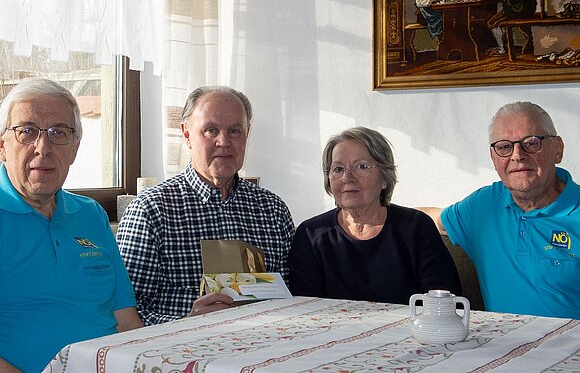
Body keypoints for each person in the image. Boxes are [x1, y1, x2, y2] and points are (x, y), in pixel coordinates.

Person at [116, 86, 295, 325]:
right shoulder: (151, 211)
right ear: (186, 134)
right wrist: (188, 322)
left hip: (265, 342)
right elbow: (125, 315)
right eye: (211, 130)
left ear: (247, 134)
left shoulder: (272, 210)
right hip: (179, 346)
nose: (224, 142)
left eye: (234, 131)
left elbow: (292, 298)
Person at [0, 78, 143, 372]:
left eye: (59, 133)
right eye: (27, 131)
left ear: (75, 149)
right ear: (3, 146)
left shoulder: (91, 214)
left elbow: (126, 320)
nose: (43, 147)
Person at [420, 102, 580, 319]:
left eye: (531, 143)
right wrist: (375, 208)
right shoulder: (484, 205)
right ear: (494, 158)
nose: (517, 155)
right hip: (502, 339)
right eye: (505, 147)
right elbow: (433, 220)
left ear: (557, 149)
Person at [288, 127, 461, 304]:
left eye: (361, 167)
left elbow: (445, 301)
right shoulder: (310, 234)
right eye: (338, 169)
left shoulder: (416, 227)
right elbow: (304, 308)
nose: (347, 177)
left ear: (385, 177)